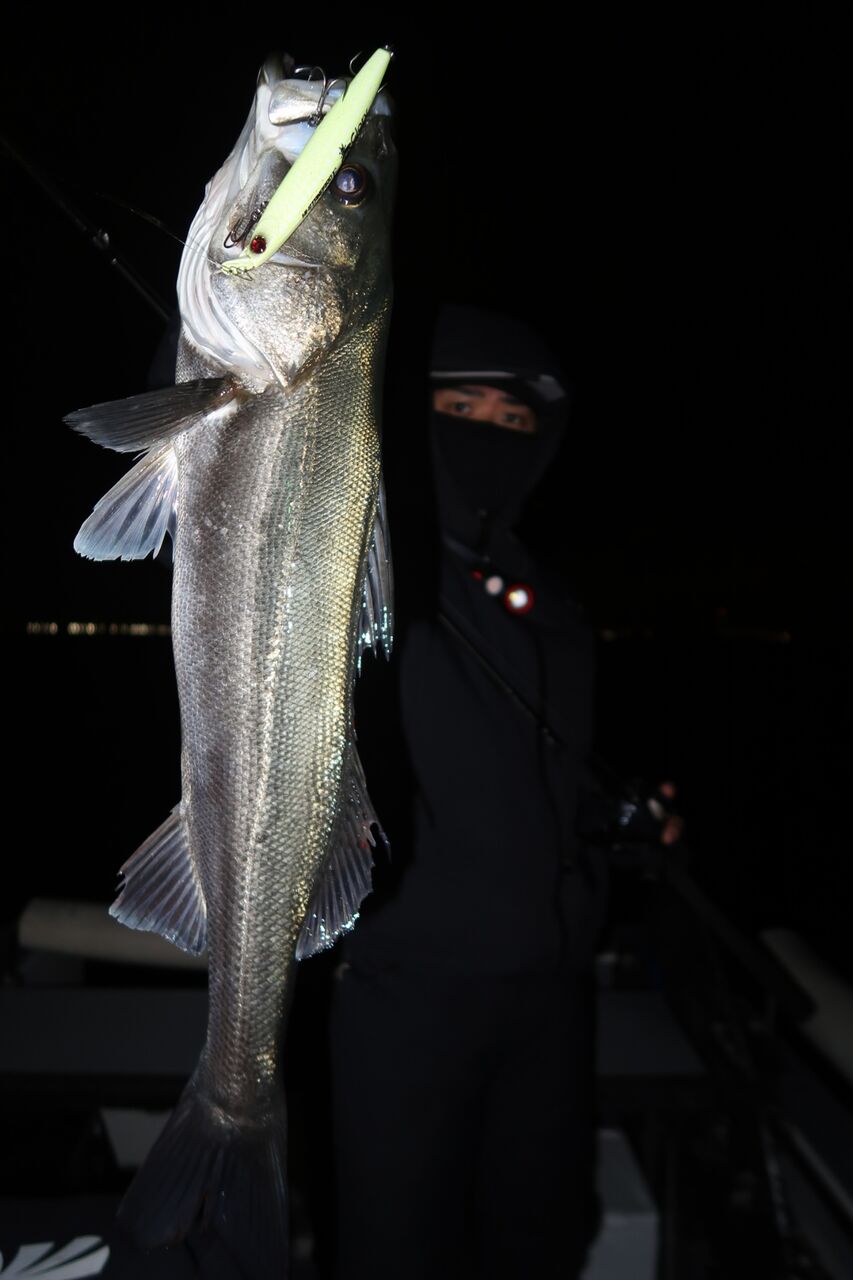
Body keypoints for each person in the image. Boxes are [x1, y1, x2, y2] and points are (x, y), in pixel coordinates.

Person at [326, 303, 608, 1280]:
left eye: (514, 419)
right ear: (412, 414)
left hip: (551, 995)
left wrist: (610, 823)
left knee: (540, 1243)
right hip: (408, 991)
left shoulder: (548, 604)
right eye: (460, 407)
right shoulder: (369, 566)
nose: (490, 433)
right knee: (393, 1250)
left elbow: (544, 777)